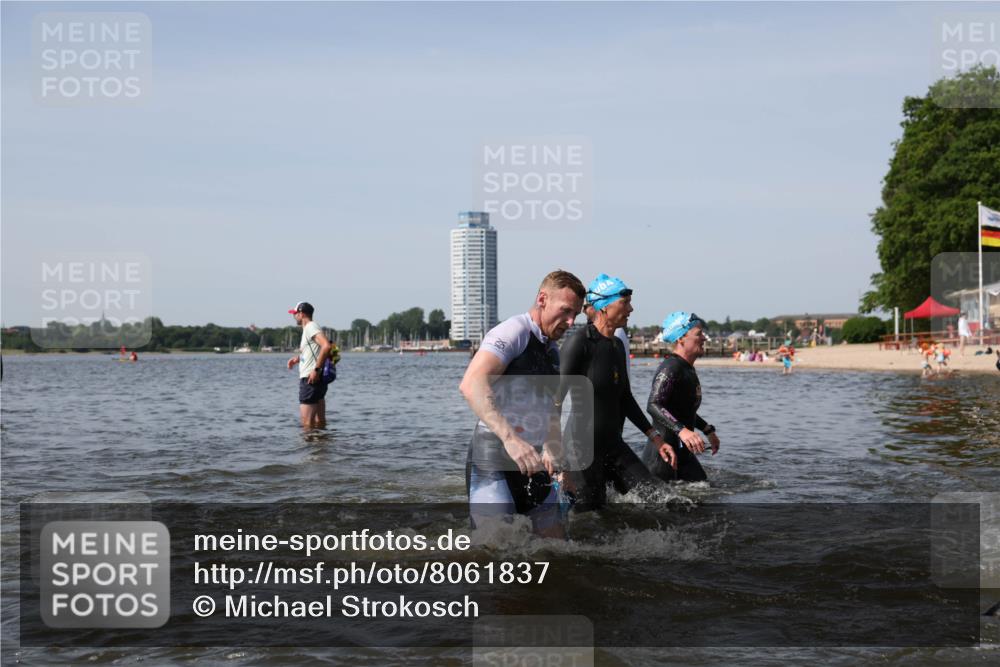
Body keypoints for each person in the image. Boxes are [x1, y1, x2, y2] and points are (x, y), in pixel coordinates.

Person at [459, 270, 585, 537]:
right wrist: (510, 439)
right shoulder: (513, 331)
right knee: (494, 550)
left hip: (533, 459)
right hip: (494, 457)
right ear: (542, 299)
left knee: (557, 548)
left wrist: (557, 458)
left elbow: (550, 409)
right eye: (565, 311)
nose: (570, 321)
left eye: (575, 315)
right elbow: (471, 384)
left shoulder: (551, 350)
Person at [558, 274, 675, 511]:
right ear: (604, 306)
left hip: (613, 444)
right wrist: (558, 460)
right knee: (591, 518)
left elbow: (625, 397)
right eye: (625, 303)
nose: (631, 308)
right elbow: (554, 400)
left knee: (660, 500)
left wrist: (655, 437)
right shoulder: (579, 343)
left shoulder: (616, 345)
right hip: (581, 449)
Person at [643, 312, 720, 483]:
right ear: (681, 339)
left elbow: (682, 409)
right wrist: (682, 430)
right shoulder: (670, 368)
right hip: (663, 456)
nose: (704, 339)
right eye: (699, 334)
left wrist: (707, 430)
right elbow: (653, 404)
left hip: (683, 452)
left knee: (705, 493)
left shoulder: (686, 369)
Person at [286, 301, 333, 429]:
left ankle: (308, 449)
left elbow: (326, 346)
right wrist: (297, 359)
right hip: (317, 380)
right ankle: (321, 447)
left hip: (310, 379)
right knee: (319, 423)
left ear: (301, 314)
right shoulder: (310, 328)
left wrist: (316, 370)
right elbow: (315, 351)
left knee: (307, 425)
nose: (294, 316)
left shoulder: (311, 327)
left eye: (295, 313)